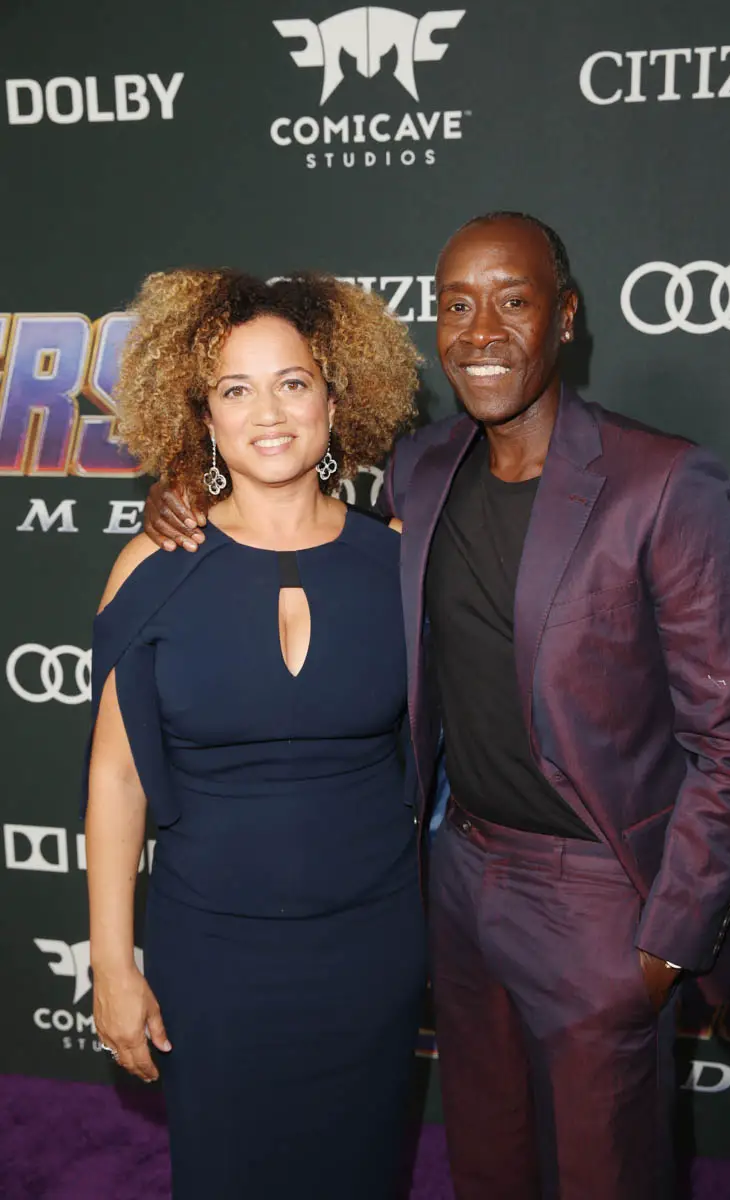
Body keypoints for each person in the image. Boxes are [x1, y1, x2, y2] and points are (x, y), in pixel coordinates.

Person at [145, 213, 730, 1200]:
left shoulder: (661, 483)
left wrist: (665, 940)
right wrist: (191, 488)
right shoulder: (425, 467)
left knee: (606, 1175)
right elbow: (312, 521)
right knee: (486, 1166)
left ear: (564, 317)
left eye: (512, 301)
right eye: (455, 306)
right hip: (457, 880)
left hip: (597, 895)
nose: (480, 330)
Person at [84, 268, 426, 1200]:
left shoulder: (399, 563)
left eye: (292, 383)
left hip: (372, 950)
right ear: (203, 415)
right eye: (235, 389)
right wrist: (112, 964)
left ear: (334, 400)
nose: (267, 413)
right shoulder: (153, 568)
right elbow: (116, 778)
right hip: (212, 958)